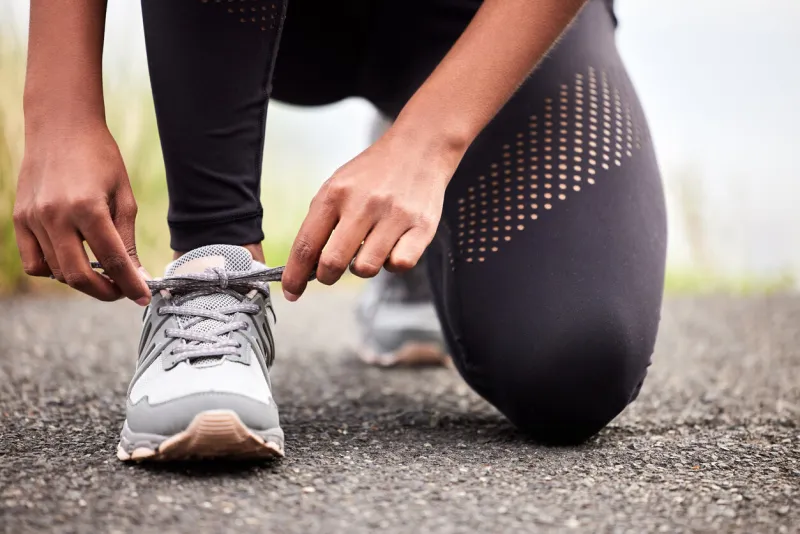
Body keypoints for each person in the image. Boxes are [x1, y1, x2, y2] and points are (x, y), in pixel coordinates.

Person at [13, 0, 666, 460]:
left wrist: (431, 142)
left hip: (481, 21)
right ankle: (213, 271)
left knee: (574, 362)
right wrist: (58, 109)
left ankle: (421, 216)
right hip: (263, 22)